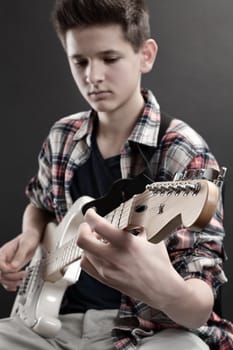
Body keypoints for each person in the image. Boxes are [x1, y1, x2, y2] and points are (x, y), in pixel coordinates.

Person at [0, 0, 232, 349]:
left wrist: (165, 289)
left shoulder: (184, 150)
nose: (93, 76)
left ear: (146, 55)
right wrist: (31, 236)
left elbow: (199, 306)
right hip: (52, 325)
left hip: (144, 331)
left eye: (109, 59)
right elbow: (40, 203)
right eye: (80, 61)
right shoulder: (62, 135)